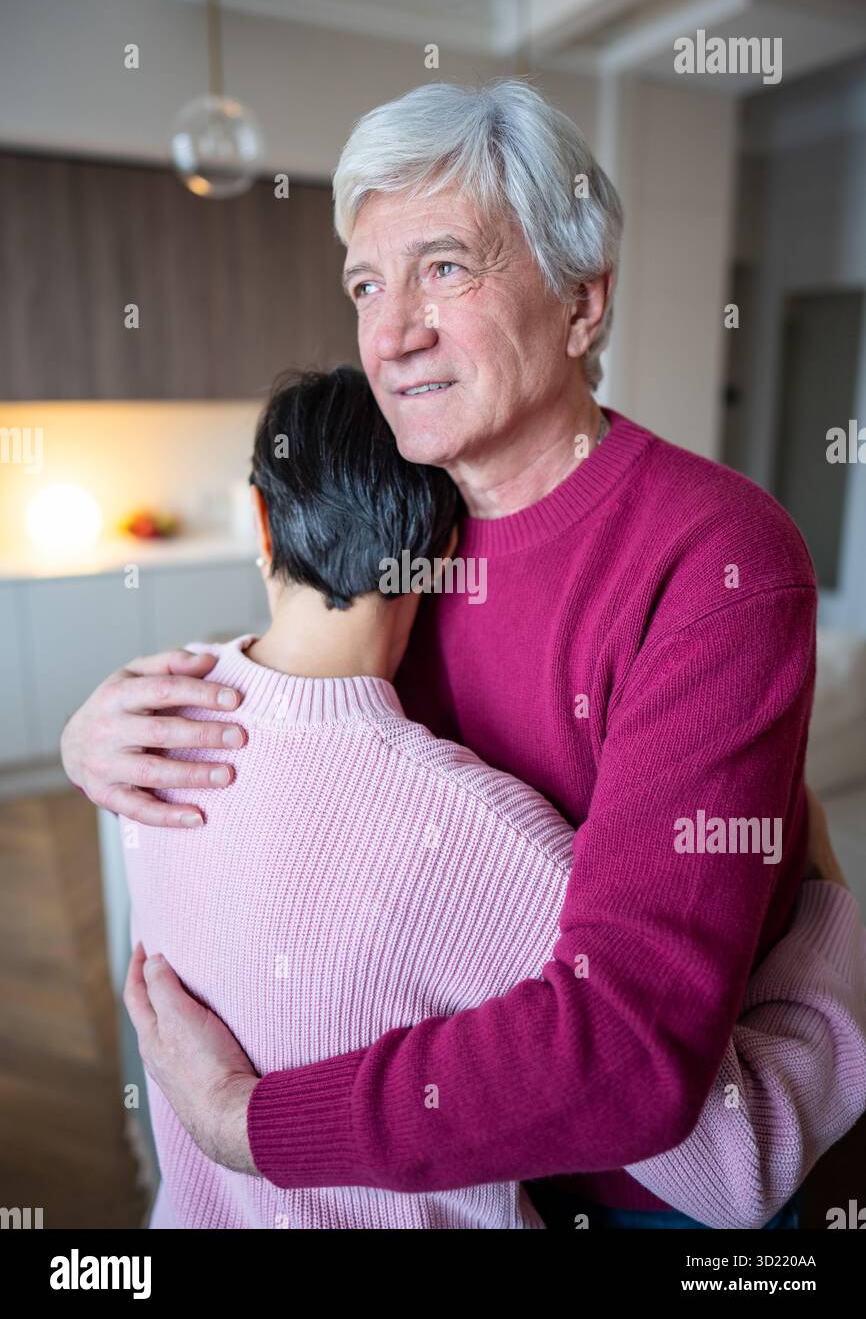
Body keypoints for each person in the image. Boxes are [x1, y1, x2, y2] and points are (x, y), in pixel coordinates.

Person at [62, 80, 866, 1226]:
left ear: (583, 303)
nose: (391, 333)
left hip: (643, 1186)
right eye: (364, 283)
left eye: (443, 267)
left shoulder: (716, 556)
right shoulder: (403, 523)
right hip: (447, 1179)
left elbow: (628, 1048)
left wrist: (252, 1122)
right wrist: (102, 730)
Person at [123, 365, 865, 1230]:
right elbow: (742, 1167)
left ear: (259, 518)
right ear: (445, 556)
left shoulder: (146, 733)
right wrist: (827, 903)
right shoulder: (476, 837)